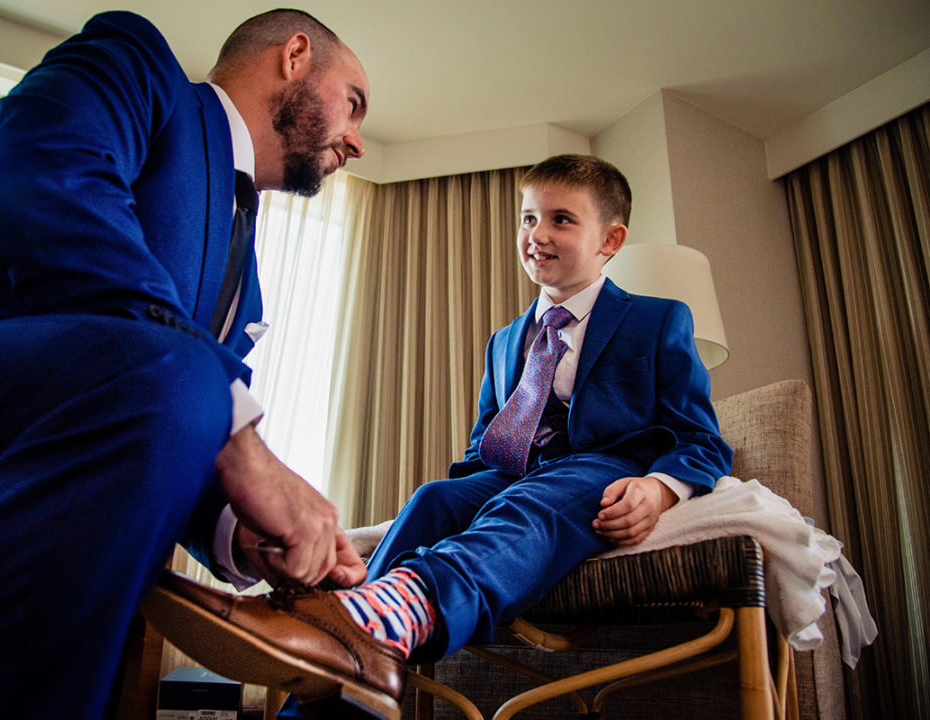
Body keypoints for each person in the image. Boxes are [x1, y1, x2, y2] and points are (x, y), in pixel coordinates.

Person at [0, 9, 376, 718]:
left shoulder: (246, 281)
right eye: (354, 104)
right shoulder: (138, 62)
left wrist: (242, 529)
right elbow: (44, 174)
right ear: (295, 55)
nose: (358, 140)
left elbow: (148, 418)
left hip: (17, 529)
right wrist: (241, 438)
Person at [153, 154, 734, 719]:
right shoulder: (506, 342)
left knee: (528, 503)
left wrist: (660, 489)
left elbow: (702, 439)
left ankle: (390, 614)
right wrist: (448, 506)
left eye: (562, 219)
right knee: (435, 497)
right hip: (510, 475)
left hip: (598, 474)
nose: (537, 233)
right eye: (528, 218)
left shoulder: (658, 320)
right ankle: (331, 637)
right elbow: (482, 450)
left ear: (610, 241)